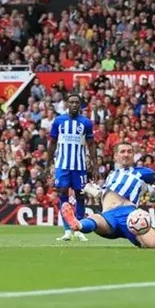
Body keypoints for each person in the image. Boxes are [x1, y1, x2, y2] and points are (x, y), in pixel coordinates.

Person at [60, 141, 155, 248]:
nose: (126, 154)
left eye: (129, 152)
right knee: (95, 219)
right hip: (108, 216)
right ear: (116, 156)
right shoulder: (111, 175)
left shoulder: (141, 172)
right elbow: (104, 195)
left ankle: (137, 238)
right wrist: (93, 190)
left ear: (133, 155)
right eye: (123, 152)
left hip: (130, 217)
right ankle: (77, 225)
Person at [47, 93, 97, 242]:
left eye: (77, 102)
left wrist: (95, 164)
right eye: (72, 102)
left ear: (80, 105)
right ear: (68, 104)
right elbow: (53, 142)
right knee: (63, 193)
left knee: (80, 195)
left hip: (79, 165)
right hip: (62, 165)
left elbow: (91, 144)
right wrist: (48, 162)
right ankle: (67, 230)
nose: (74, 105)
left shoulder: (86, 123)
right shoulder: (59, 121)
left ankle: (79, 229)